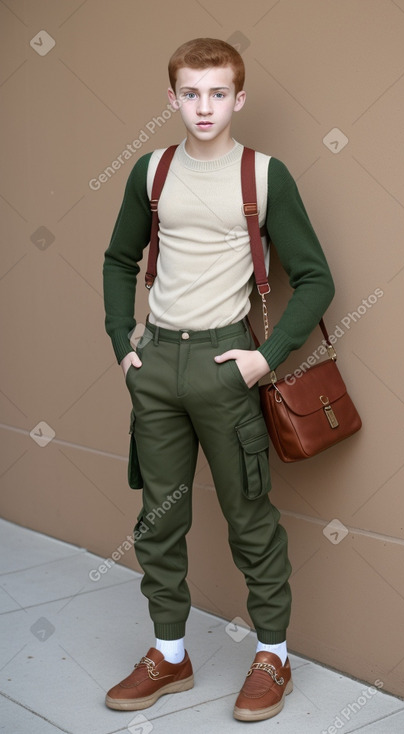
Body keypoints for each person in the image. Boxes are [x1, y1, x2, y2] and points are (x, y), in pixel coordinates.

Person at [102, 37, 334, 722]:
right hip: (156, 368)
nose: (204, 107)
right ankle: (169, 656)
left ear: (238, 98)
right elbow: (119, 257)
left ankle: (273, 656)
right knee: (158, 520)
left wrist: (266, 358)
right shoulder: (150, 171)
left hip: (225, 365)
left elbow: (316, 278)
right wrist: (123, 341)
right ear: (172, 99)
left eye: (217, 93)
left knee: (249, 521)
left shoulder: (264, 176)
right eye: (191, 93)